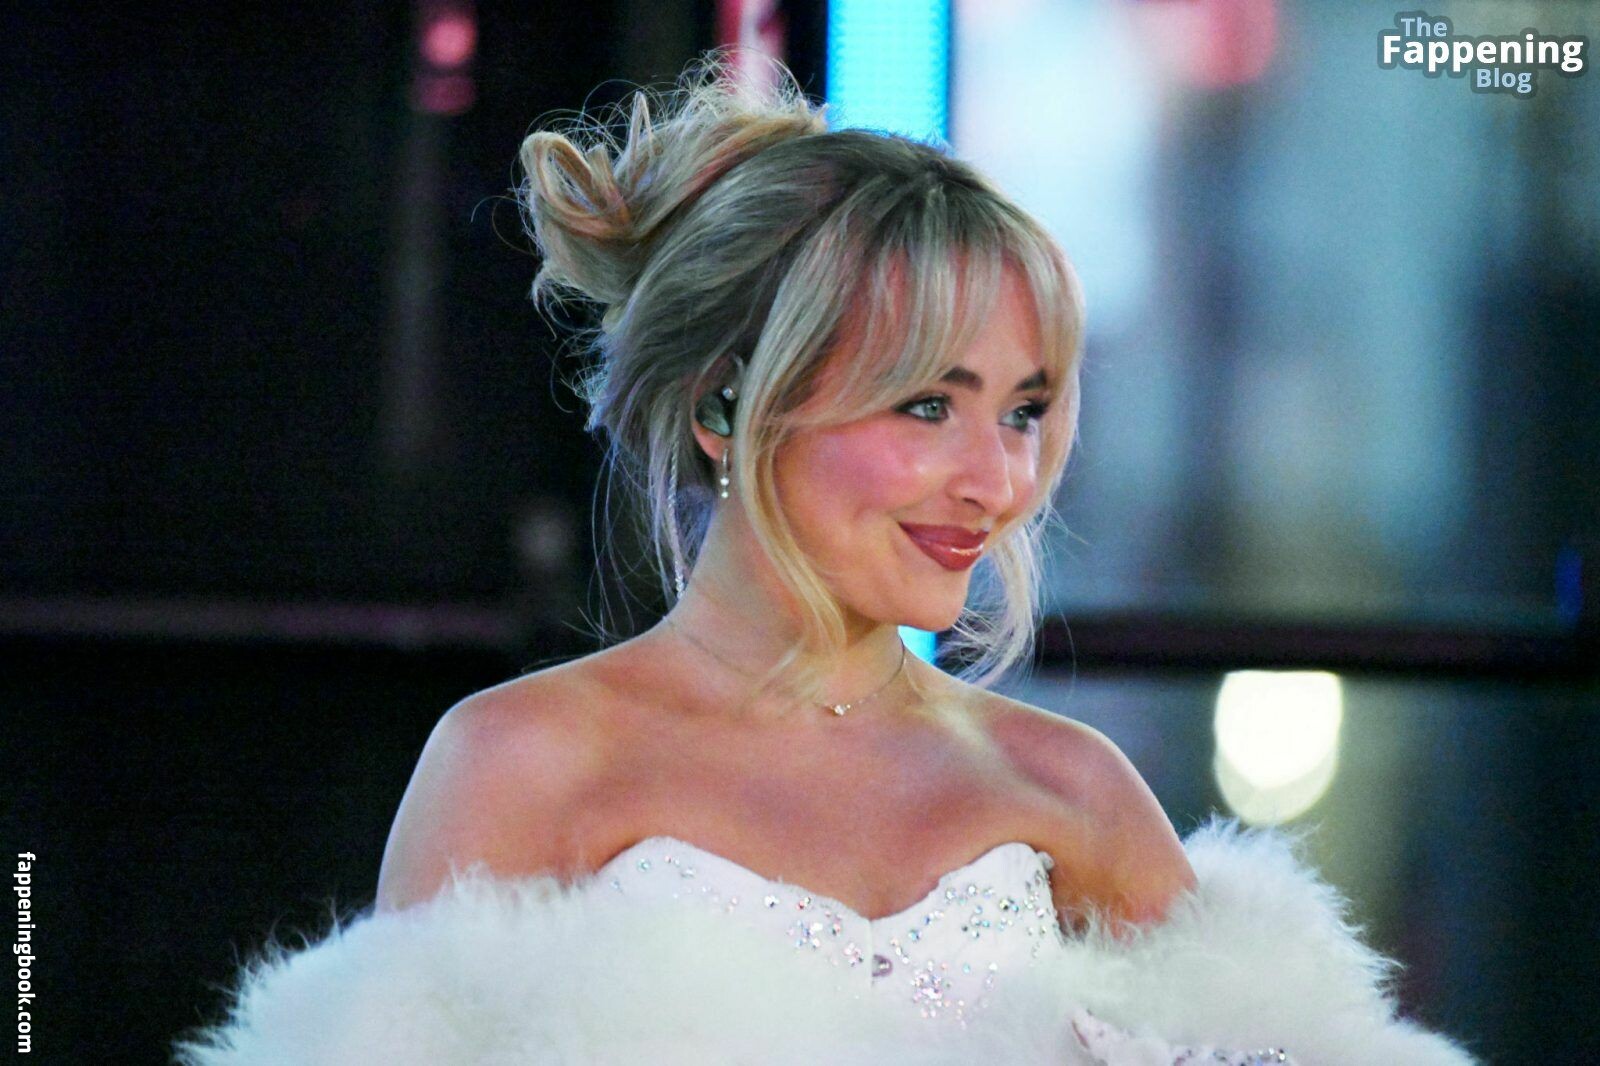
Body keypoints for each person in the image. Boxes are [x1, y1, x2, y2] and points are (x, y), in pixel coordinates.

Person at [171, 52, 1478, 1065]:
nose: (995, 479)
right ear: (724, 404)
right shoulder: (522, 764)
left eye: (1025, 410)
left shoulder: (1070, 789)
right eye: (928, 404)